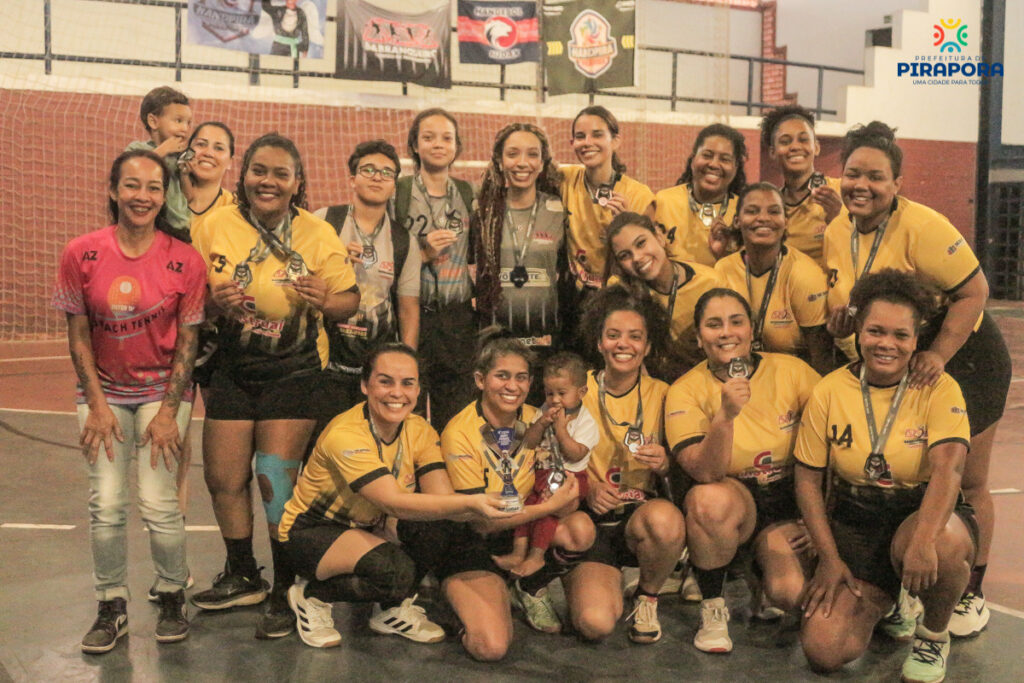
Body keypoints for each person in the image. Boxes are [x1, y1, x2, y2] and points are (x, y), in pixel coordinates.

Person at [823, 122, 1011, 637]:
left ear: (898, 183)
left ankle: (970, 590)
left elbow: (976, 291)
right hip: (902, 356)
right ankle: (908, 589)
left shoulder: (923, 226)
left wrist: (941, 354)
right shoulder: (837, 231)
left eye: (877, 177)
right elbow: (853, 300)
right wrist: (844, 320)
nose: (862, 185)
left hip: (966, 357)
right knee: (914, 471)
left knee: (966, 478)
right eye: (853, 174)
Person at [189, 133, 359, 639]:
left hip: (295, 369)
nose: (268, 180)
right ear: (243, 177)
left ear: (297, 183)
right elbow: (191, 294)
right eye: (259, 170)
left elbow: (349, 302)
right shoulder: (212, 225)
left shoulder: (317, 233)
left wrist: (326, 300)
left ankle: (288, 583)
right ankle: (242, 572)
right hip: (230, 369)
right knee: (222, 478)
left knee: (275, 482)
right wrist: (214, 302)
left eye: (280, 173)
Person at [53, 149, 206, 652]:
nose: (143, 196)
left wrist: (169, 412)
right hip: (103, 394)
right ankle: (111, 605)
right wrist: (95, 405)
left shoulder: (185, 260)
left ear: (165, 196)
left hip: (163, 394)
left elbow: (188, 343)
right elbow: (79, 335)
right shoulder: (81, 252)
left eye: (154, 187)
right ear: (114, 190)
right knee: (107, 505)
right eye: (133, 185)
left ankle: (169, 594)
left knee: (160, 505)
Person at [795, 269, 978, 683]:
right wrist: (829, 558)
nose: (887, 344)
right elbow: (807, 481)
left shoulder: (939, 387)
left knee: (944, 546)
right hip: (857, 518)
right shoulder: (829, 390)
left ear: (917, 340)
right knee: (824, 651)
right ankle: (892, 602)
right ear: (858, 329)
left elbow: (949, 470)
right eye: (876, 331)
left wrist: (925, 540)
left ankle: (932, 635)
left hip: (921, 508)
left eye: (901, 335)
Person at [277, 343, 510, 648]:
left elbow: (442, 498)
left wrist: (494, 504)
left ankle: (390, 611)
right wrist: (471, 502)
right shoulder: (346, 433)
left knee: (439, 527)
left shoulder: (419, 429)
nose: (397, 393)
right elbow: (391, 501)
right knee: (394, 572)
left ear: (418, 389)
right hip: (312, 530)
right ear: (365, 385)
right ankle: (312, 596)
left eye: (407, 383)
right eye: (385, 381)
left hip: (366, 527)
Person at [666, 288, 819, 653]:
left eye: (736, 322)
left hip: (787, 498)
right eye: (714, 325)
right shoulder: (684, 390)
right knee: (706, 501)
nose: (726, 333)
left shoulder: (792, 371)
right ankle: (713, 607)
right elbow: (704, 471)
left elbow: (836, 441)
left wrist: (818, 520)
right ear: (700, 337)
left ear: (752, 330)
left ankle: (761, 575)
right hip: (734, 497)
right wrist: (726, 415)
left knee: (791, 595)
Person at [437, 332, 594, 654]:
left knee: (580, 530)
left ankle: (529, 585)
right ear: (480, 379)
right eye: (502, 376)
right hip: (477, 541)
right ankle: (460, 593)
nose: (513, 386)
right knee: (491, 647)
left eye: (521, 377)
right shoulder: (459, 432)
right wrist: (547, 506)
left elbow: (571, 461)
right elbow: (480, 523)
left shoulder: (537, 418)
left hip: (522, 530)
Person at [562, 286, 686, 645]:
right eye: (613, 335)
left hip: (638, 518)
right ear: (599, 342)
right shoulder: (574, 390)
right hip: (589, 519)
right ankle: (590, 579)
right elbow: (549, 461)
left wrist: (666, 462)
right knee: (595, 624)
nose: (623, 344)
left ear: (647, 346)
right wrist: (588, 485)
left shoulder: (665, 393)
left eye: (635, 337)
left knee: (665, 521)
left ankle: (647, 596)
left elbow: (684, 465)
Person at [315, 140, 421, 429]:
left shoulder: (403, 240)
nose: (377, 177)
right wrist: (336, 265)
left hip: (376, 372)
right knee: (318, 449)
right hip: (324, 365)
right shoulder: (324, 221)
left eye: (387, 172)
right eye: (369, 170)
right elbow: (298, 277)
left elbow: (408, 308)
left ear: (394, 185)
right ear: (353, 179)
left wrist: (405, 364)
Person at [392, 108, 477, 430]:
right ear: (415, 144)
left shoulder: (470, 195)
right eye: (428, 137)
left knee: (456, 416)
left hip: (457, 319)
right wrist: (423, 251)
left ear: (457, 146)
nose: (438, 144)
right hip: (411, 314)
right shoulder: (398, 193)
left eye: (446, 138)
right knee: (407, 408)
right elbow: (387, 255)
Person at [473, 122, 568, 400]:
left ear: (542, 162)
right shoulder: (482, 209)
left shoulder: (558, 209)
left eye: (532, 154)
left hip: (543, 337)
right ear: (499, 162)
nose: (522, 163)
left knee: (539, 420)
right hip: (494, 338)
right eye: (513, 154)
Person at [493, 352, 600, 579]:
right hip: (543, 474)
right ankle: (518, 551)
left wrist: (561, 430)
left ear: (581, 392)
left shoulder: (586, 421)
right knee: (527, 505)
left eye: (562, 393)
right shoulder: (543, 410)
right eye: (549, 393)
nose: (555, 400)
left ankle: (536, 555)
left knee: (548, 507)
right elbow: (529, 443)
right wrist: (541, 423)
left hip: (571, 478)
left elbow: (575, 454)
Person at [713, 183, 832, 374]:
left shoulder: (805, 274)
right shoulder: (723, 269)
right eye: (752, 211)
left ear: (786, 221)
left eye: (774, 211)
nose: (763, 218)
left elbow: (822, 359)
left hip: (795, 379)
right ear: (737, 221)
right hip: (739, 374)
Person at [606, 211, 722, 379]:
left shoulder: (710, 283)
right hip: (650, 384)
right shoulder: (621, 290)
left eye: (641, 243)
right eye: (625, 255)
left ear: (659, 236)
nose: (637, 257)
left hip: (703, 380)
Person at [560, 106, 654, 294]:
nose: (587, 143)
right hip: (573, 293)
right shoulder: (564, 179)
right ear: (572, 143)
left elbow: (649, 260)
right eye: (580, 136)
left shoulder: (640, 195)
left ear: (615, 141)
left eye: (597, 135)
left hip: (620, 293)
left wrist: (627, 228)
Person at [648, 123, 747, 267]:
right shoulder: (664, 201)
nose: (713, 164)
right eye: (707, 155)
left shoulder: (743, 211)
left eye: (725, 159)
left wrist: (723, 255)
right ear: (693, 159)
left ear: (736, 167)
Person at [760, 105, 843, 267]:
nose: (795, 147)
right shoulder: (770, 207)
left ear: (816, 147)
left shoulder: (841, 191)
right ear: (772, 152)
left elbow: (862, 249)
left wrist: (838, 219)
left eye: (804, 139)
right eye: (785, 141)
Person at [125, 86, 194, 233]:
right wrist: (163, 150)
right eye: (178, 121)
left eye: (188, 123)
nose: (185, 128)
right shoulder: (137, 149)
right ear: (153, 121)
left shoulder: (180, 156)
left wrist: (184, 174)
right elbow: (136, 168)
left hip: (179, 227)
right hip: (148, 227)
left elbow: (189, 197)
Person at [186, 121, 236, 222]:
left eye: (219, 148)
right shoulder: (165, 196)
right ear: (186, 151)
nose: (208, 153)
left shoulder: (236, 209)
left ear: (230, 162)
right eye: (201, 144)